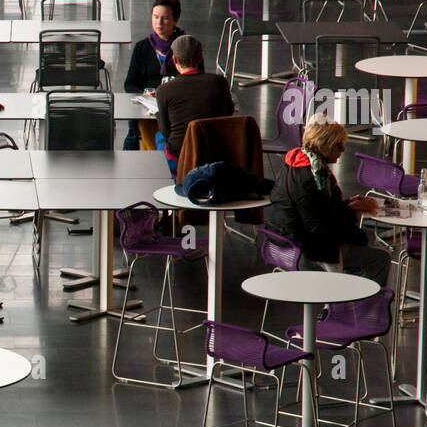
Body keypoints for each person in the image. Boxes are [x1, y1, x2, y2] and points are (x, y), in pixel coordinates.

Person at [265, 115, 390, 285]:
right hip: (308, 251)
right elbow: (320, 228)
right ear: (324, 145)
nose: (343, 149)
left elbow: (316, 208)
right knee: (380, 260)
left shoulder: (297, 162)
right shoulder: (310, 179)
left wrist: (347, 204)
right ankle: (356, 307)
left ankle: (348, 301)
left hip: (284, 245)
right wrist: (349, 210)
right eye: (338, 144)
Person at [153, 35, 234, 174]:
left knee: (159, 137)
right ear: (200, 57)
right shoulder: (219, 82)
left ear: (175, 59)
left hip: (180, 158)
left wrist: (158, 115)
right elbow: (228, 112)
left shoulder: (163, 90)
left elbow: (167, 132)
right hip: (214, 155)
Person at [121, 0, 194, 150]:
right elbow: (130, 83)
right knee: (143, 122)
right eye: (155, 17)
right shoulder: (142, 47)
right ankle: (157, 157)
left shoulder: (186, 46)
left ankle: (158, 158)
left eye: (165, 18)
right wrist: (143, 95)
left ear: (176, 20)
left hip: (175, 106)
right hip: (149, 106)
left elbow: (195, 80)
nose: (159, 23)